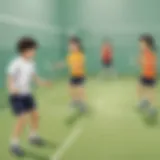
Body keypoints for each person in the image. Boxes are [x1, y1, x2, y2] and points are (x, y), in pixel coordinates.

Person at [7, 37, 52, 156]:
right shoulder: (16, 63)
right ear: (25, 50)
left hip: (27, 94)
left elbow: (34, 78)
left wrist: (43, 82)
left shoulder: (32, 63)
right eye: (33, 49)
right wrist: (11, 88)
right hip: (17, 96)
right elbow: (10, 77)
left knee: (36, 115)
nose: (35, 51)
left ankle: (33, 136)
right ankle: (14, 144)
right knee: (22, 119)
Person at [55, 37, 86, 112]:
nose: (70, 47)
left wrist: (75, 65)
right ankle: (75, 101)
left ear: (77, 46)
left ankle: (82, 104)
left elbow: (80, 64)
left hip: (80, 75)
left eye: (72, 45)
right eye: (70, 45)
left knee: (80, 90)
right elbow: (66, 63)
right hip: (73, 75)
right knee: (70, 88)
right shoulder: (70, 55)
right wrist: (58, 65)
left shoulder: (80, 55)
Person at [138, 34, 157, 116]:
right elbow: (141, 62)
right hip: (144, 75)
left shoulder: (150, 53)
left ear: (148, 45)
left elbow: (151, 64)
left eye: (142, 44)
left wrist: (144, 62)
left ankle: (152, 108)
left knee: (149, 91)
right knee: (140, 87)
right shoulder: (144, 52)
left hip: (150, 76)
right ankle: (144, 101)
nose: (140, 45)